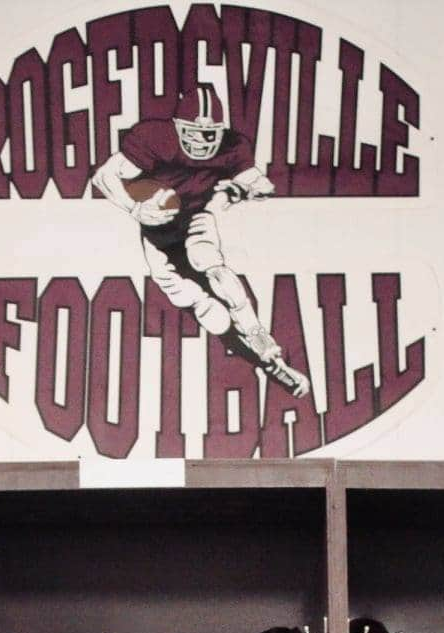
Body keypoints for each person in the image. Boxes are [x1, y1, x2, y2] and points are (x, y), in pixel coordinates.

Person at [93, 84, 311, 398]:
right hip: (158, 229)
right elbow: (104, 176)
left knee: (210, 264)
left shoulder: (234, 146)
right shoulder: (155, 139)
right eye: (193, 133)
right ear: (177, 128)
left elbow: (261, 184)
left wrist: (241, 190)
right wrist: (135, 207)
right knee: (202, 304)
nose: (202, 141)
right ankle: (260, 361)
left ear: (222, 133)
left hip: (197, 214)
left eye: (210, 135)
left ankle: (258, 335)